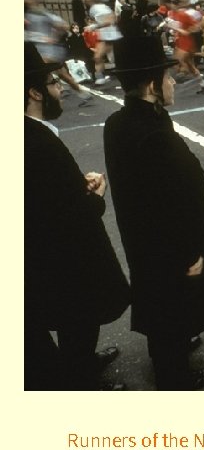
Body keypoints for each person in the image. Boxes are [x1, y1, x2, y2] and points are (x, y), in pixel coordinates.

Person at [104, 35, 204, 390]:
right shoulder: (154, 134)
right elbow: (172, 202)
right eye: (167, 77)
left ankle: (170, 352)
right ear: (152, 84)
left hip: (141, 241)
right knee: (172, 307)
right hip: (169, 248)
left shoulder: (119, 123)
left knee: (158, 303)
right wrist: (190, 252)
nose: (173, 83)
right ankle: (174, 378)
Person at [24, 43, 129, 390]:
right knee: (79, 319)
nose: (60, 89)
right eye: (53, 82)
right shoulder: (37, 143)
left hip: (43, 256)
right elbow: (62, 216)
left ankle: (80, 363)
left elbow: (44, 195)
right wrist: (95, 197)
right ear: (34, 91)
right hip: (63, 259)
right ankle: (81, 379)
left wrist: (73, 183)